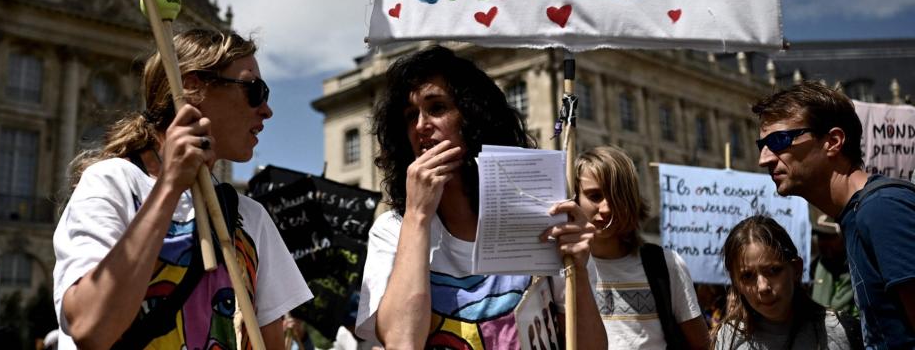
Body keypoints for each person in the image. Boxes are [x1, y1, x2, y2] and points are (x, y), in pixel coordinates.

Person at [53, 30, 312, 349]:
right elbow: (91, 327)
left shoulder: (251, 218)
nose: (266, 110)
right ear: (192, 88)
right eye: (255, 90)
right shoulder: (112, 182)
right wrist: (170, 187)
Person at [355, 45, 607, 349]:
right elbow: (401, 341)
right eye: (411, 116)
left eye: (436, 108)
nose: (421, 126)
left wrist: (578, 270)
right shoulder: (393, 229)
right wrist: (418, 216)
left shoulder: (540, 215)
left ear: (473, 115)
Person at [753, 82, 915, 348]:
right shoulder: (857, 214)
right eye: (762, 144)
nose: (764, 158)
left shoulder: (881, 209)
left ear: (833, 142)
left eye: (779, 141)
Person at [563, 145, 710, 349]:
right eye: (595, 196)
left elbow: (702, 345)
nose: (606, 209)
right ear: (575, 199)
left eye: (616, 196)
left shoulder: (666, 264)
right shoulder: (561, 270)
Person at [713, 215, 859, 349]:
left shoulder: (837, 332)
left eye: (774, 270)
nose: (763, 287)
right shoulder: (729, 338)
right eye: (748, 276)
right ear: (736, 283)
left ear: (796, 269)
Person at [810, 214, 856, 316]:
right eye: (820, 237)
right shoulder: (815, 268)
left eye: (829, 237)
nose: (823, 243)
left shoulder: (858, 269)